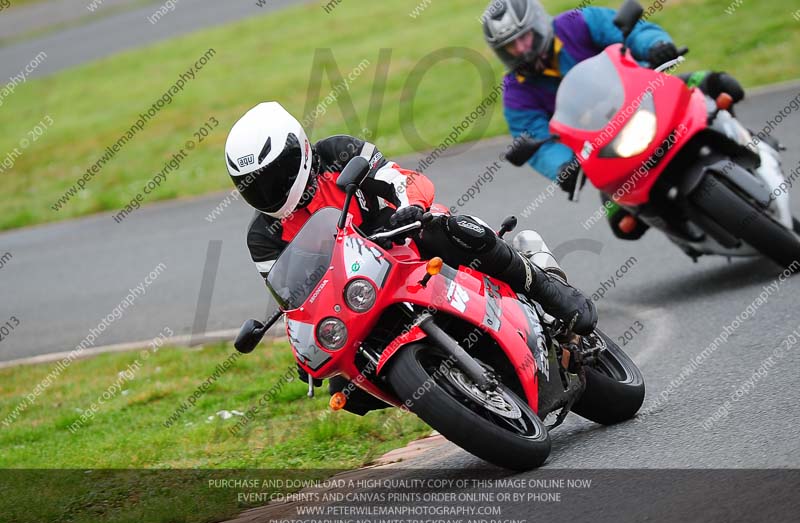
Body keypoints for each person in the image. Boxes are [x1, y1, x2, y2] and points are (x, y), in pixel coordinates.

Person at [224, 101, 598, 414]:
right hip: (358, 294)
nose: (267, 192)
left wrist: (410, 208)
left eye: (274, 177)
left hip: (406, 241)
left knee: (450, 230)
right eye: (254, 186)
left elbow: (404, 179)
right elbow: (294, 297)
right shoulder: (263, 237)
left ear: (299, 152)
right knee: (346, 390)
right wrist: (305, 338)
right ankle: (452, 397)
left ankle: (549, 292)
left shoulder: (337, 152)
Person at [482, 0, 744, 239]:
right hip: (606, 149)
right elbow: (535, 138)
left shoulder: (579, 22)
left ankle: (749, 144)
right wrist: (562, 167)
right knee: (623, 223)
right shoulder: (516, 91)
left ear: (538, 24)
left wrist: (656, 46)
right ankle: (686, 229)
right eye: (510, 46)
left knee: (720, 85)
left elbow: (633, 32)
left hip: (650, 98)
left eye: (524, 38)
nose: (521, 49)